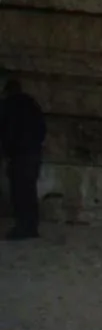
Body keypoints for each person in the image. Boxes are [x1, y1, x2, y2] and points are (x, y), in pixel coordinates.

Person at [1, 76, 47, 240]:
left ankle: (22, 228)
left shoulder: (8, 106)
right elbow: (42, 128)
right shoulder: (31, 104)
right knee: (29, 190)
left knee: (19, 193)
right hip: (34, 153)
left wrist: (7, 152)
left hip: (19, 155)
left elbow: (7, 132)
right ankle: (32, 226)